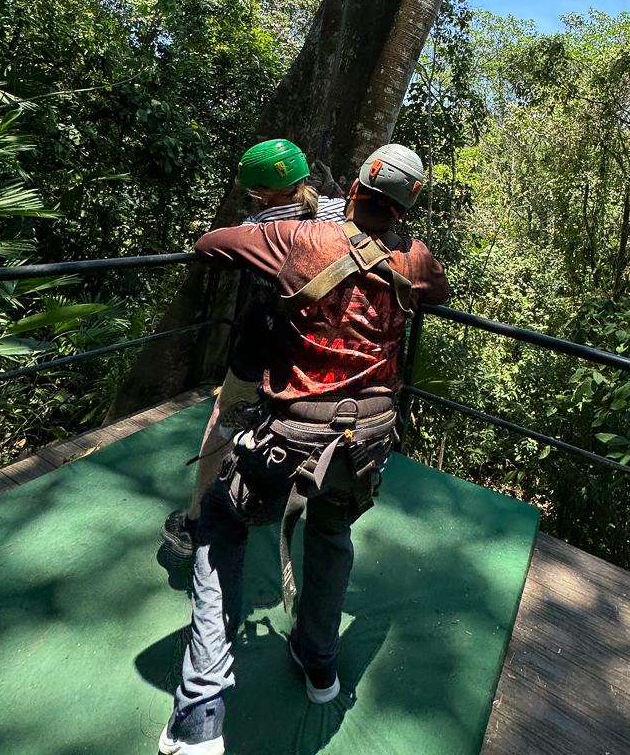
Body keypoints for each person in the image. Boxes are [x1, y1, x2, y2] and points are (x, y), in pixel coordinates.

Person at [158, 144, 449, 755]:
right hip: (368, 437)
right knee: (332, 535)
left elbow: (212, 244)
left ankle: (201, 710)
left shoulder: (298, 239)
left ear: (357, 180)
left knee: (219, 521)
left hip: (292, 432)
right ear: (409, 202)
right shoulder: (417, 258)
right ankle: (320, 665)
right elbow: (437, 294)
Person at [161, 139, 348, 562]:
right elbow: (333, 200)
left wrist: (254, 220)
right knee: (292, 420)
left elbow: (208, 245)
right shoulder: (339, 216)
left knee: (224, 418)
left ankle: (194, 521)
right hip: (315, 346)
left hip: (263, 338)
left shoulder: (261, 231)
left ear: (261, 192)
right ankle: (275, 499)